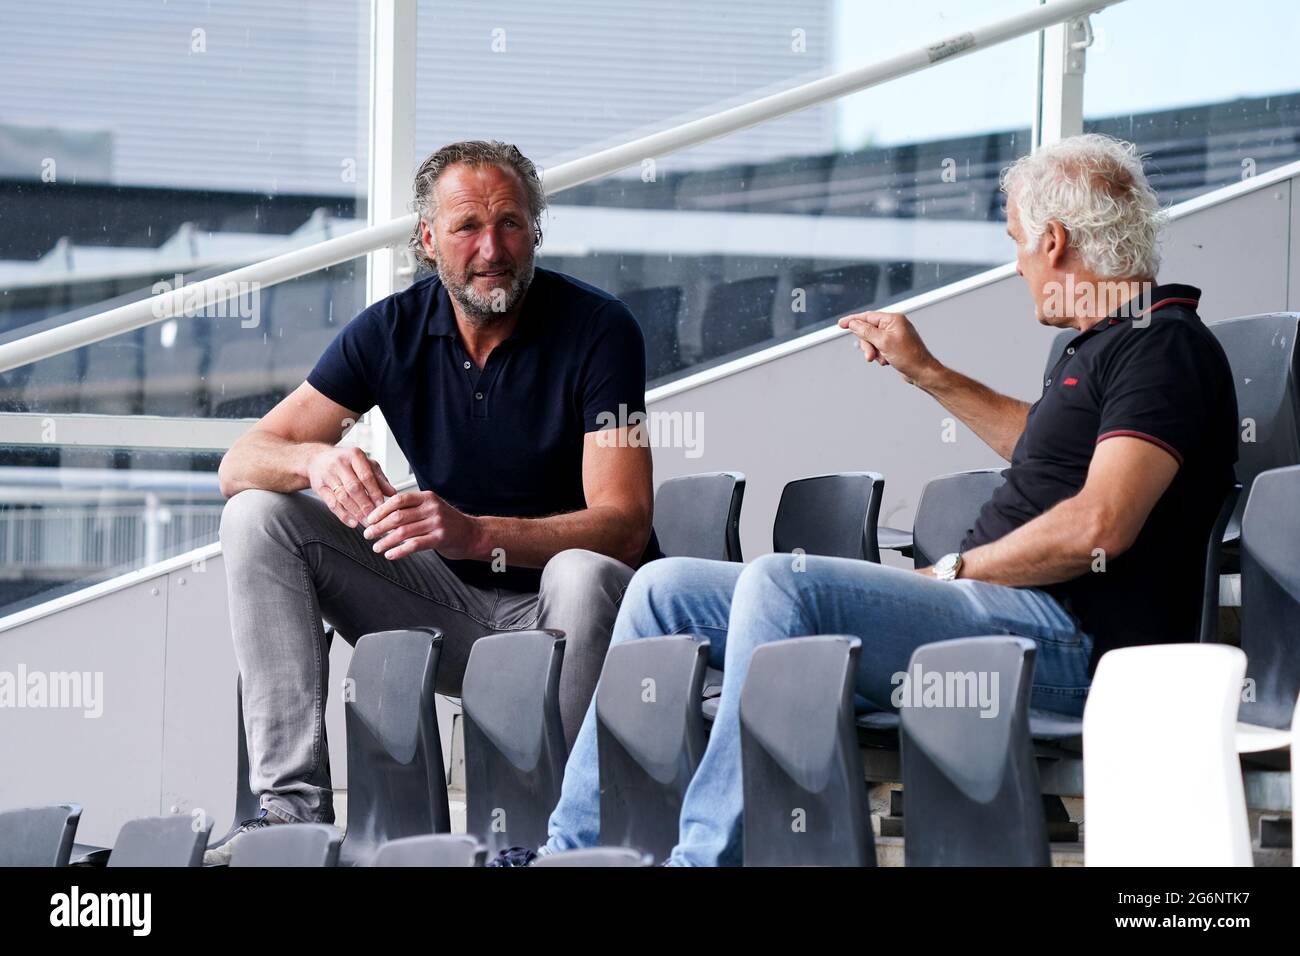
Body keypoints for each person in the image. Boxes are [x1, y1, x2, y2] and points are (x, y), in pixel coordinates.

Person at [515, 133, 1238, 867]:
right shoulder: (1095, 345)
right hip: (1000, 613)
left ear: (1054, 242)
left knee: (780, 584)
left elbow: (1101, 525)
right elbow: (1045, 453)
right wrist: (923, 371)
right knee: (662, 589)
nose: (1017, 263)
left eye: (1018, 242)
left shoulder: (1164, 345)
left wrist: (959, 570)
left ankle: (701, 861)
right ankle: (570, 853)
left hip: (1067, 641)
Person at [209, 140, 659, 864]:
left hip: (570, 619)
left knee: (583, 571)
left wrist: (477, 533)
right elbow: (240, 462)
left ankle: (558, 834)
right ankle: (289, 808)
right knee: (257, 514)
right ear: (427, 240)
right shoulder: (390, 331)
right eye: (467, 227)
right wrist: (317, 458)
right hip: (450, 613)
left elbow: (626, 525)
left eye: (511, 223)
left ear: (536, 231)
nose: (492, 248)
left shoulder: (601, 331)